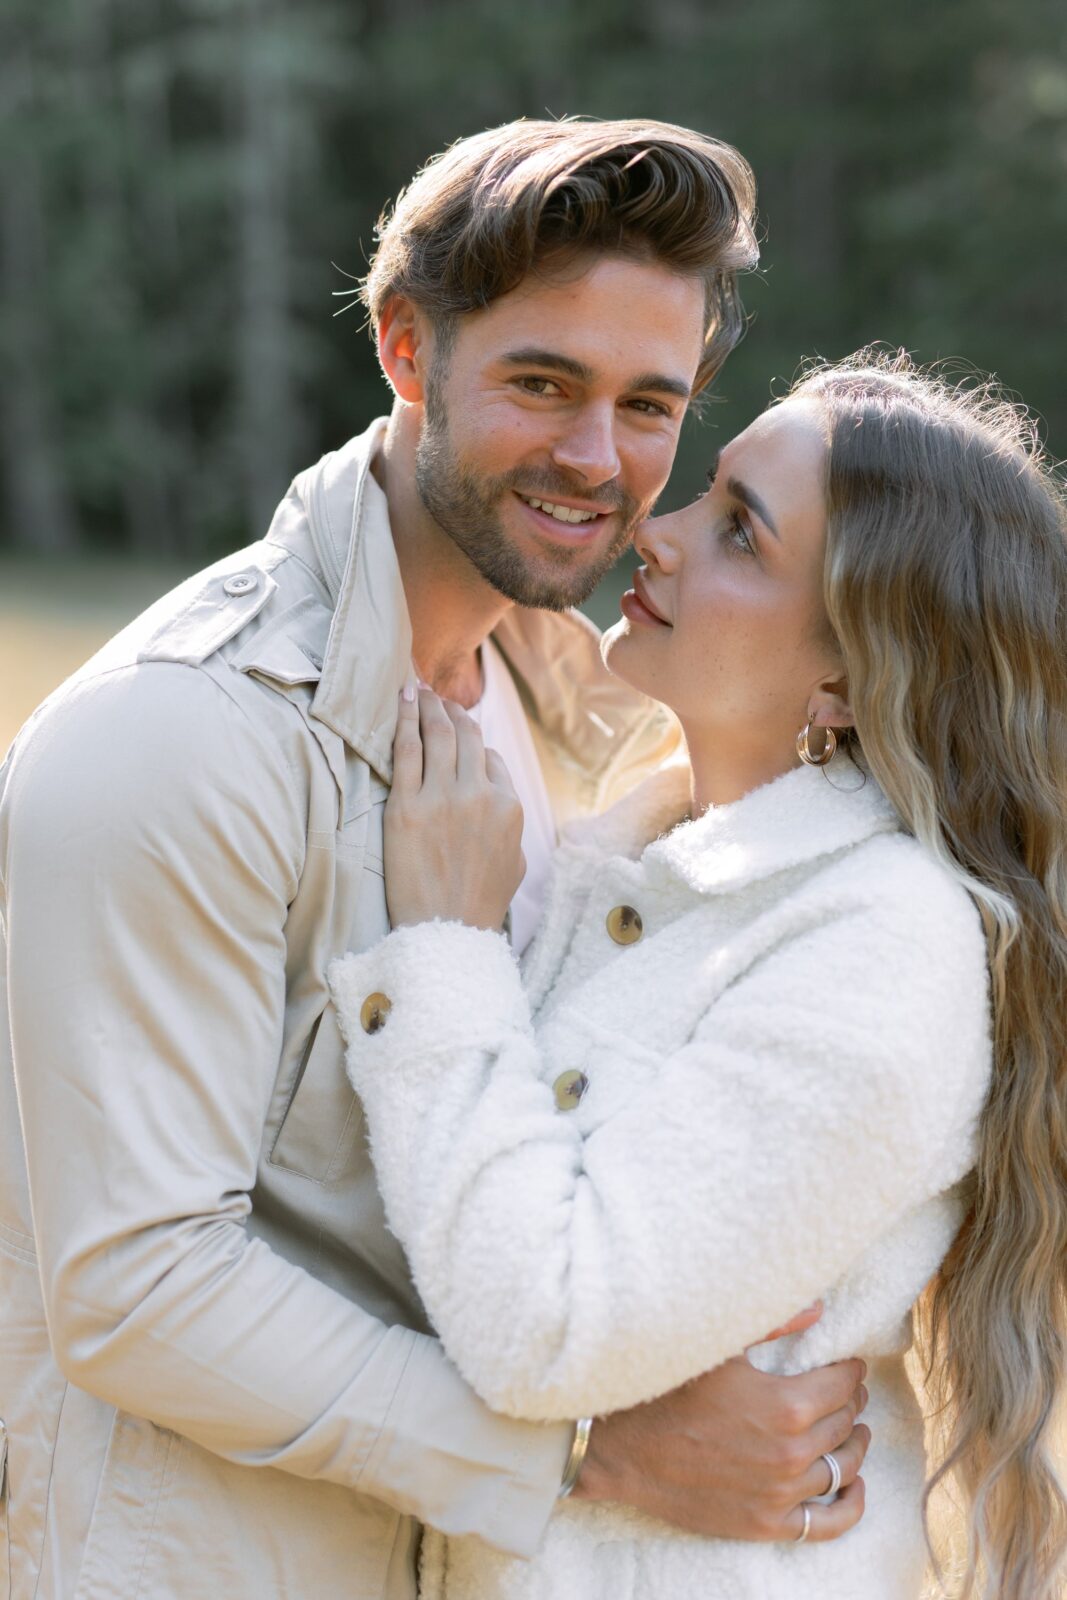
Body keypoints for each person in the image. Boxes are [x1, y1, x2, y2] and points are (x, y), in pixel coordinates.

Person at [0, 120, 871, 1600]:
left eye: (646, 406)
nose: (595, 459)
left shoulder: (586, 707)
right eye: (542, 384)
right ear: (406, 349)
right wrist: (594, 1453)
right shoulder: (173, 739)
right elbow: (137, 1288)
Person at [330, 350, 1067, 1600]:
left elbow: (544, 1326)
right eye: (705, 493)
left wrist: (444, 947)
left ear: (847, 674)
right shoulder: (631, 859)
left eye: (738, 532)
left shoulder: (885, 949)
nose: (655, 532)